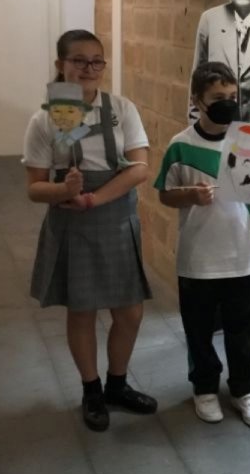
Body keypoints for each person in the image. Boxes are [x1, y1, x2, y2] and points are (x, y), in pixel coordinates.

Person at [23, 29, 157, 432]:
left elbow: (140, 167)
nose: (88, 68)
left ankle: (118, 383)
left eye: (96, 60)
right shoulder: (45, 118)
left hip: (114, 216)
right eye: (78, 60)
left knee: (130, 311)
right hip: (72, 221)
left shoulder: (122, 108)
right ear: (60, 66)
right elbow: (34, 188)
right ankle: (91, 389)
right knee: (82, 311)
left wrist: (95, 199)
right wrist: (64, 189)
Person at [156, 62, 250, 428]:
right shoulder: (181, 144)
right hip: (197, 257)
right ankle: (205, 388)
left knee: (241, 329)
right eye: (218, 98)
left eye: (232, 97)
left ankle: (244, 389)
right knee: (198, 330)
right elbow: (165, 196)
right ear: (197, 100)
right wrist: (189, 196)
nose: (227, 103)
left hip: (243, 255)